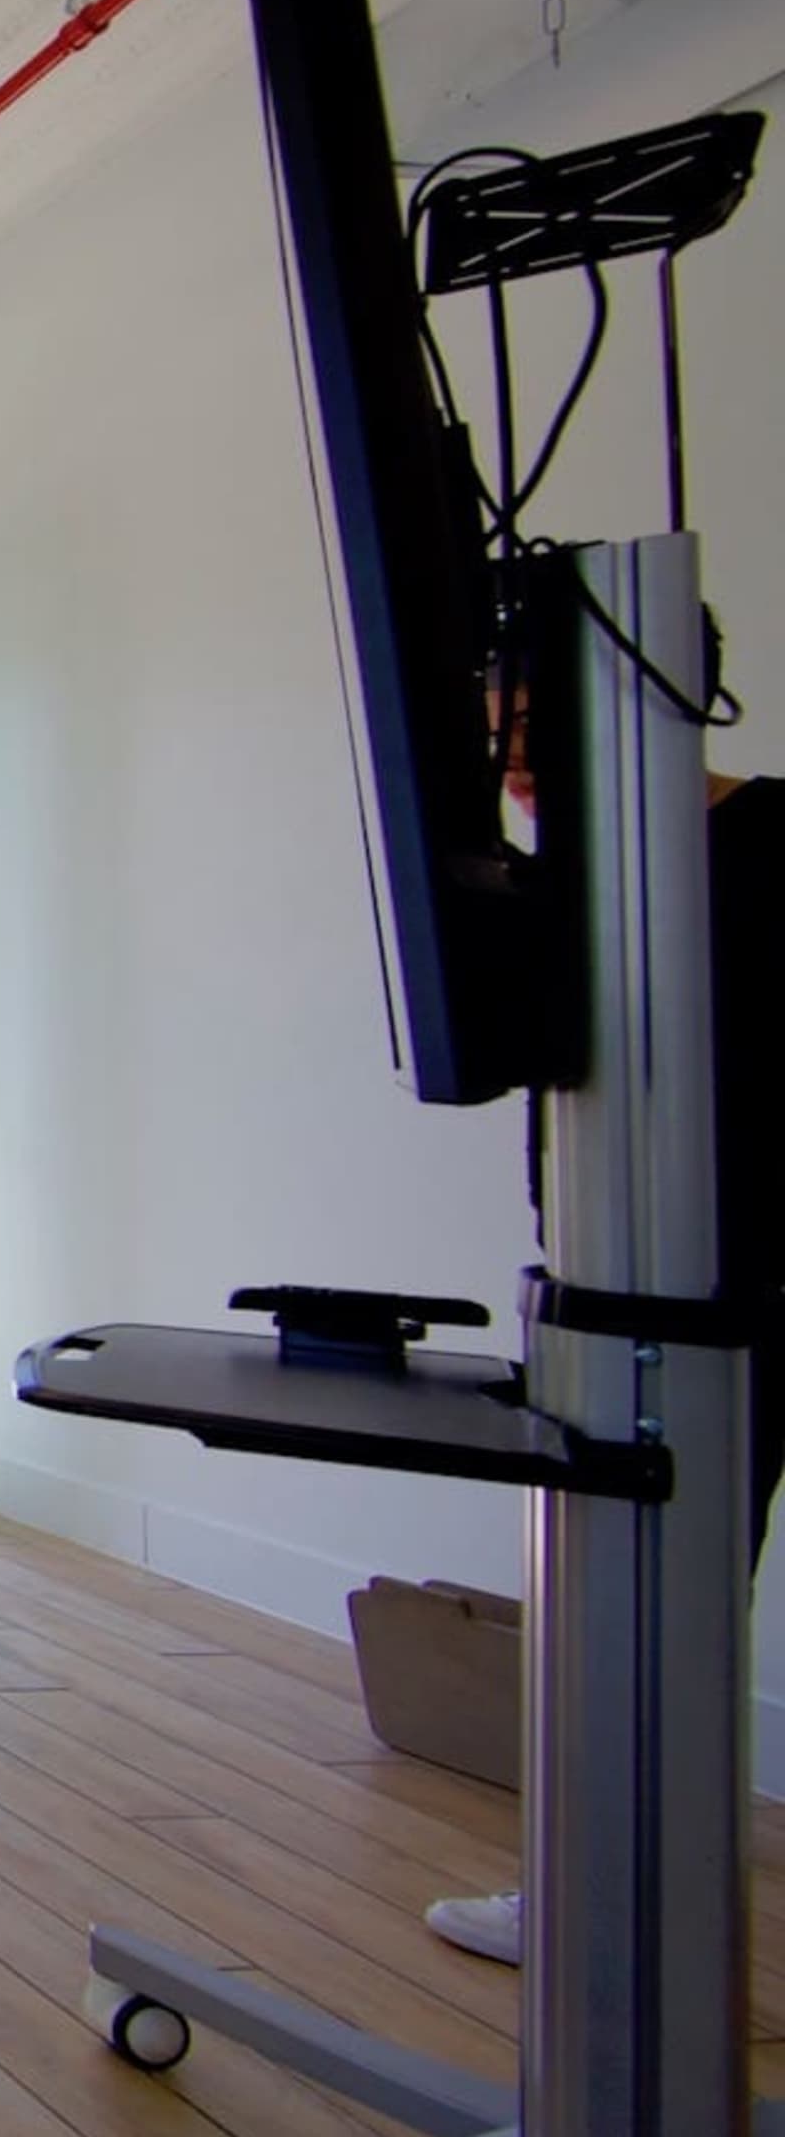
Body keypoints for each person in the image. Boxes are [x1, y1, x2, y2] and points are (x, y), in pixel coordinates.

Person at [426, 772, 776, 1965]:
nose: (518, 771)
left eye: (534, 731)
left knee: (662, 1605)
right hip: (629, 1297)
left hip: (740, 1294)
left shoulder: (770, 839)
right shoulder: (577, 883)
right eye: (501, 743)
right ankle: (612, 1899)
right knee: (647, 1606)